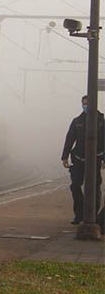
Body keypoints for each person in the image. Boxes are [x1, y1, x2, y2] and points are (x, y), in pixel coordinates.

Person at [61, 95, 105, 224]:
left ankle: (93, 215)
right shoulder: (77, 121)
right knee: (75, 186)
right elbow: (70, 139)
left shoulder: (101, 121)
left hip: (95, 159)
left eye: (87, 103)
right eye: (83, 103)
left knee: (95, 187)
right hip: (78, 159)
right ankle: (79, 213)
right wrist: (65, 156)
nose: (85, 106)